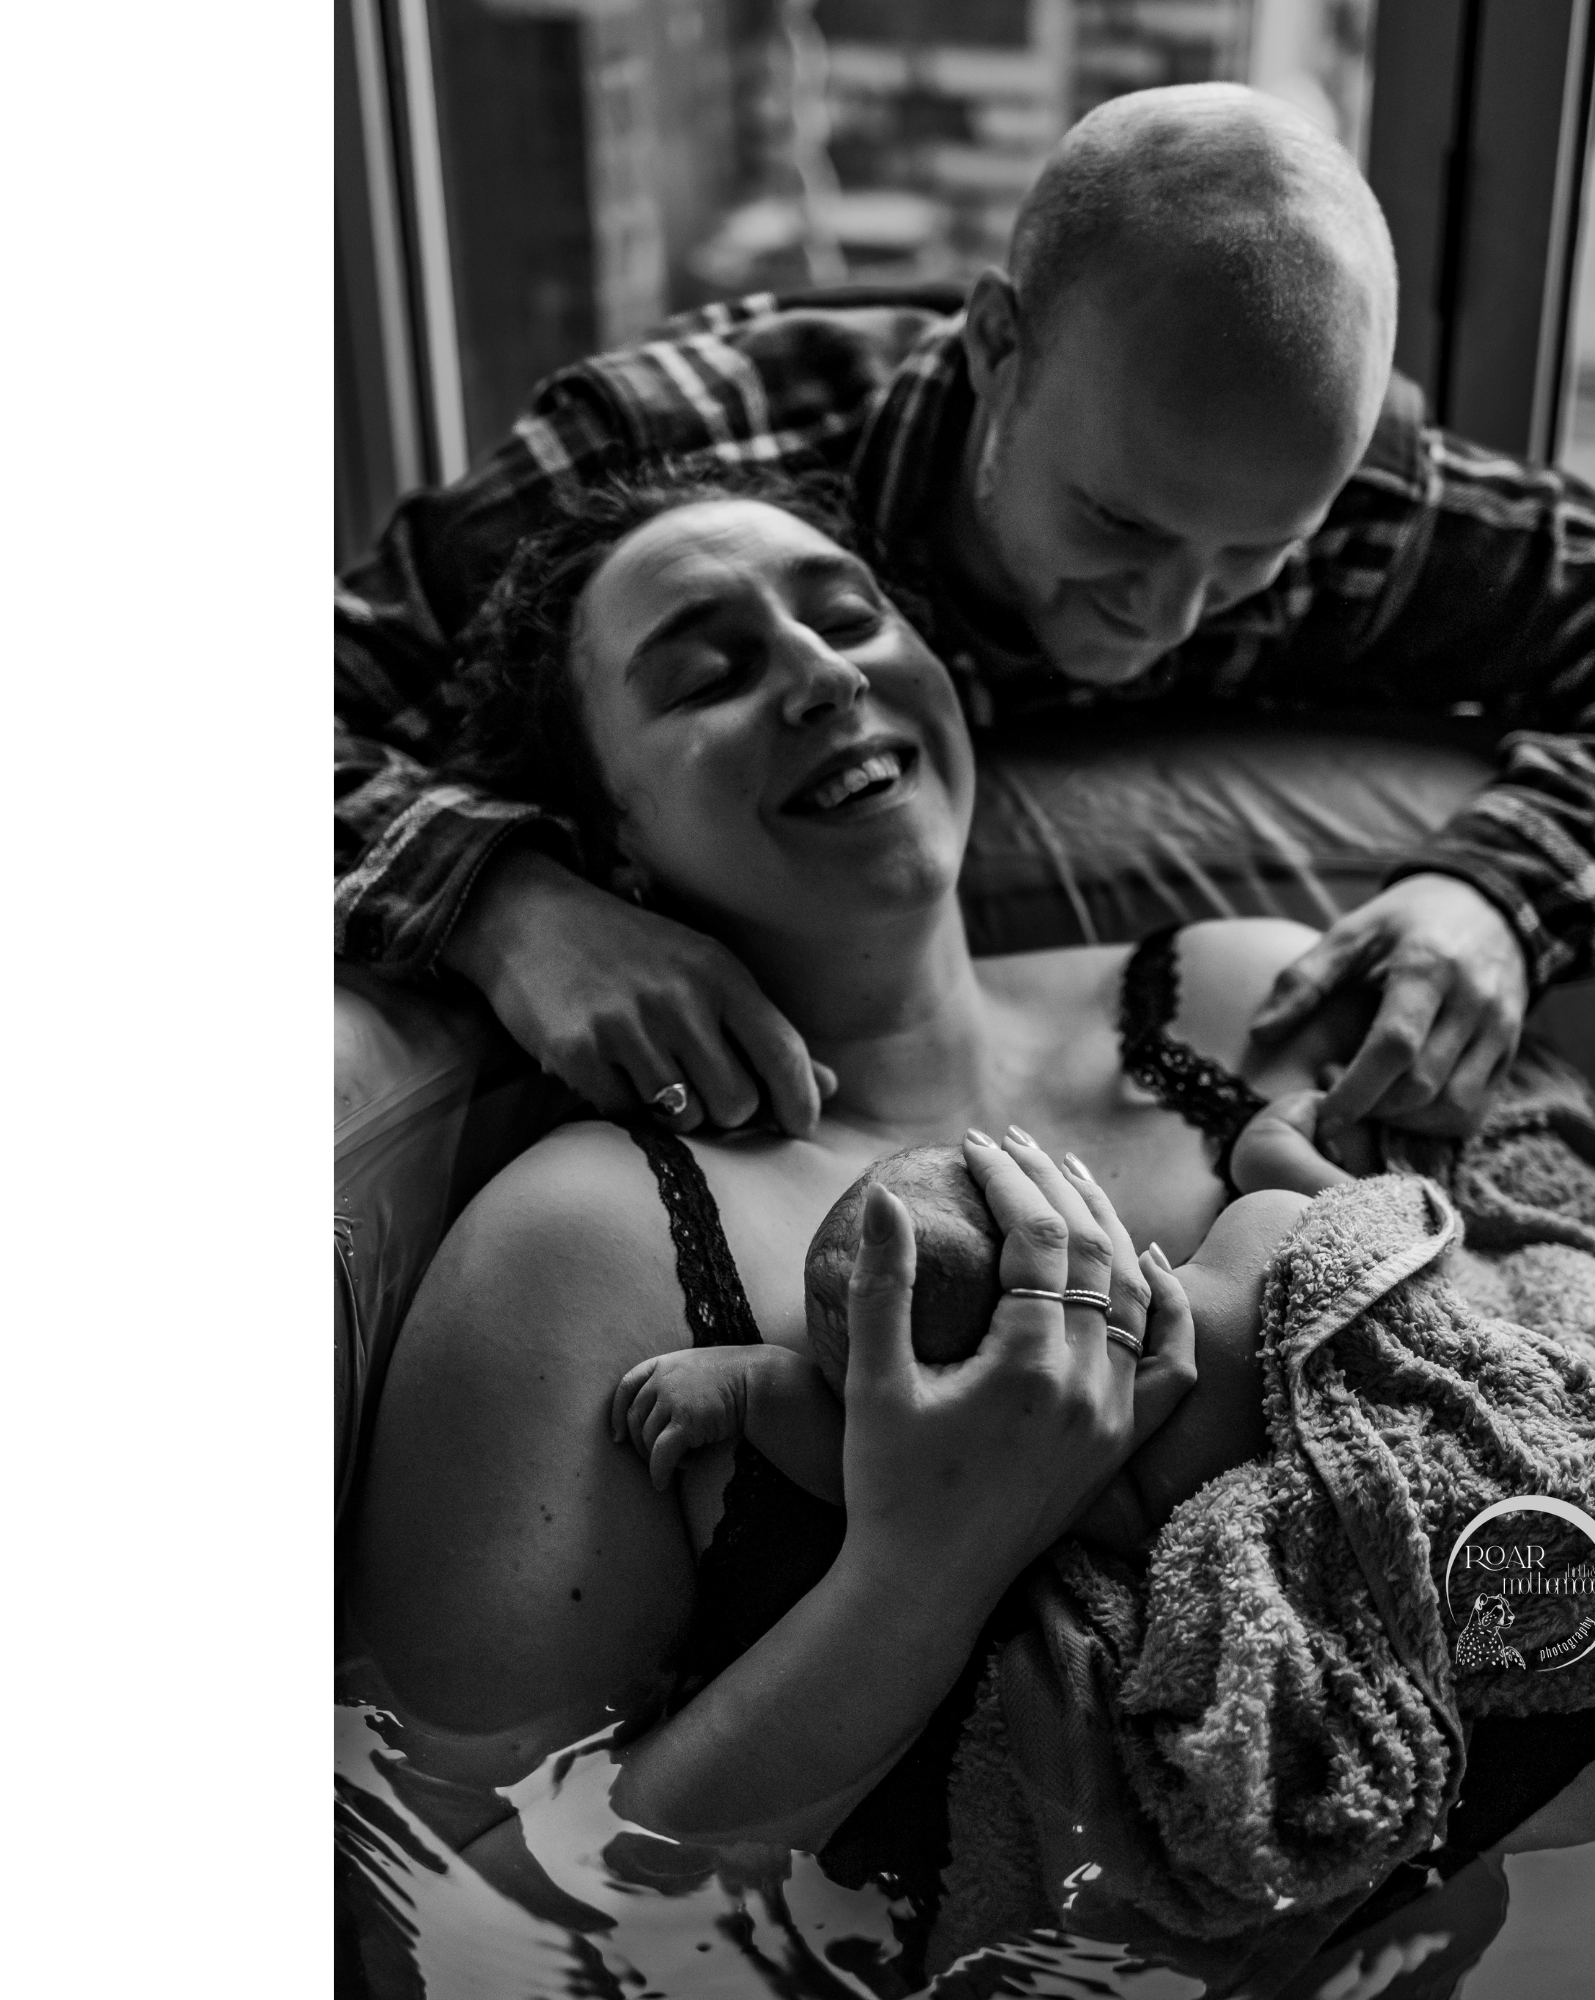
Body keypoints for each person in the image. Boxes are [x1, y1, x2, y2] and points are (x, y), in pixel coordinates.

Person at [339, 470, 1404, 1863]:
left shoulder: (1247, 1003)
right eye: (708, 674)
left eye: (848, 615)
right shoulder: (583, 1248)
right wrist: (928, 1563)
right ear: (613, 846)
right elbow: (476, 1906)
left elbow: (1539, 1376)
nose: (821, 676)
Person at [333, 83, 1595, 1149]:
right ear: (993, 348)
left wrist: (1497, 896)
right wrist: (508, 907)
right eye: (1122, 525)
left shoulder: (1357, 505)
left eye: (1259, 553)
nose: (1171, 610)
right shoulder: (671, 458)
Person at [609, 1098, 1350, 1563]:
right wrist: (1274, 1147)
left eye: (853, 1387)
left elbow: (870, 1474)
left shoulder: (1078, 1479)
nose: (844, 1405)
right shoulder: (1255, 1244)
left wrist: (751, 1387)